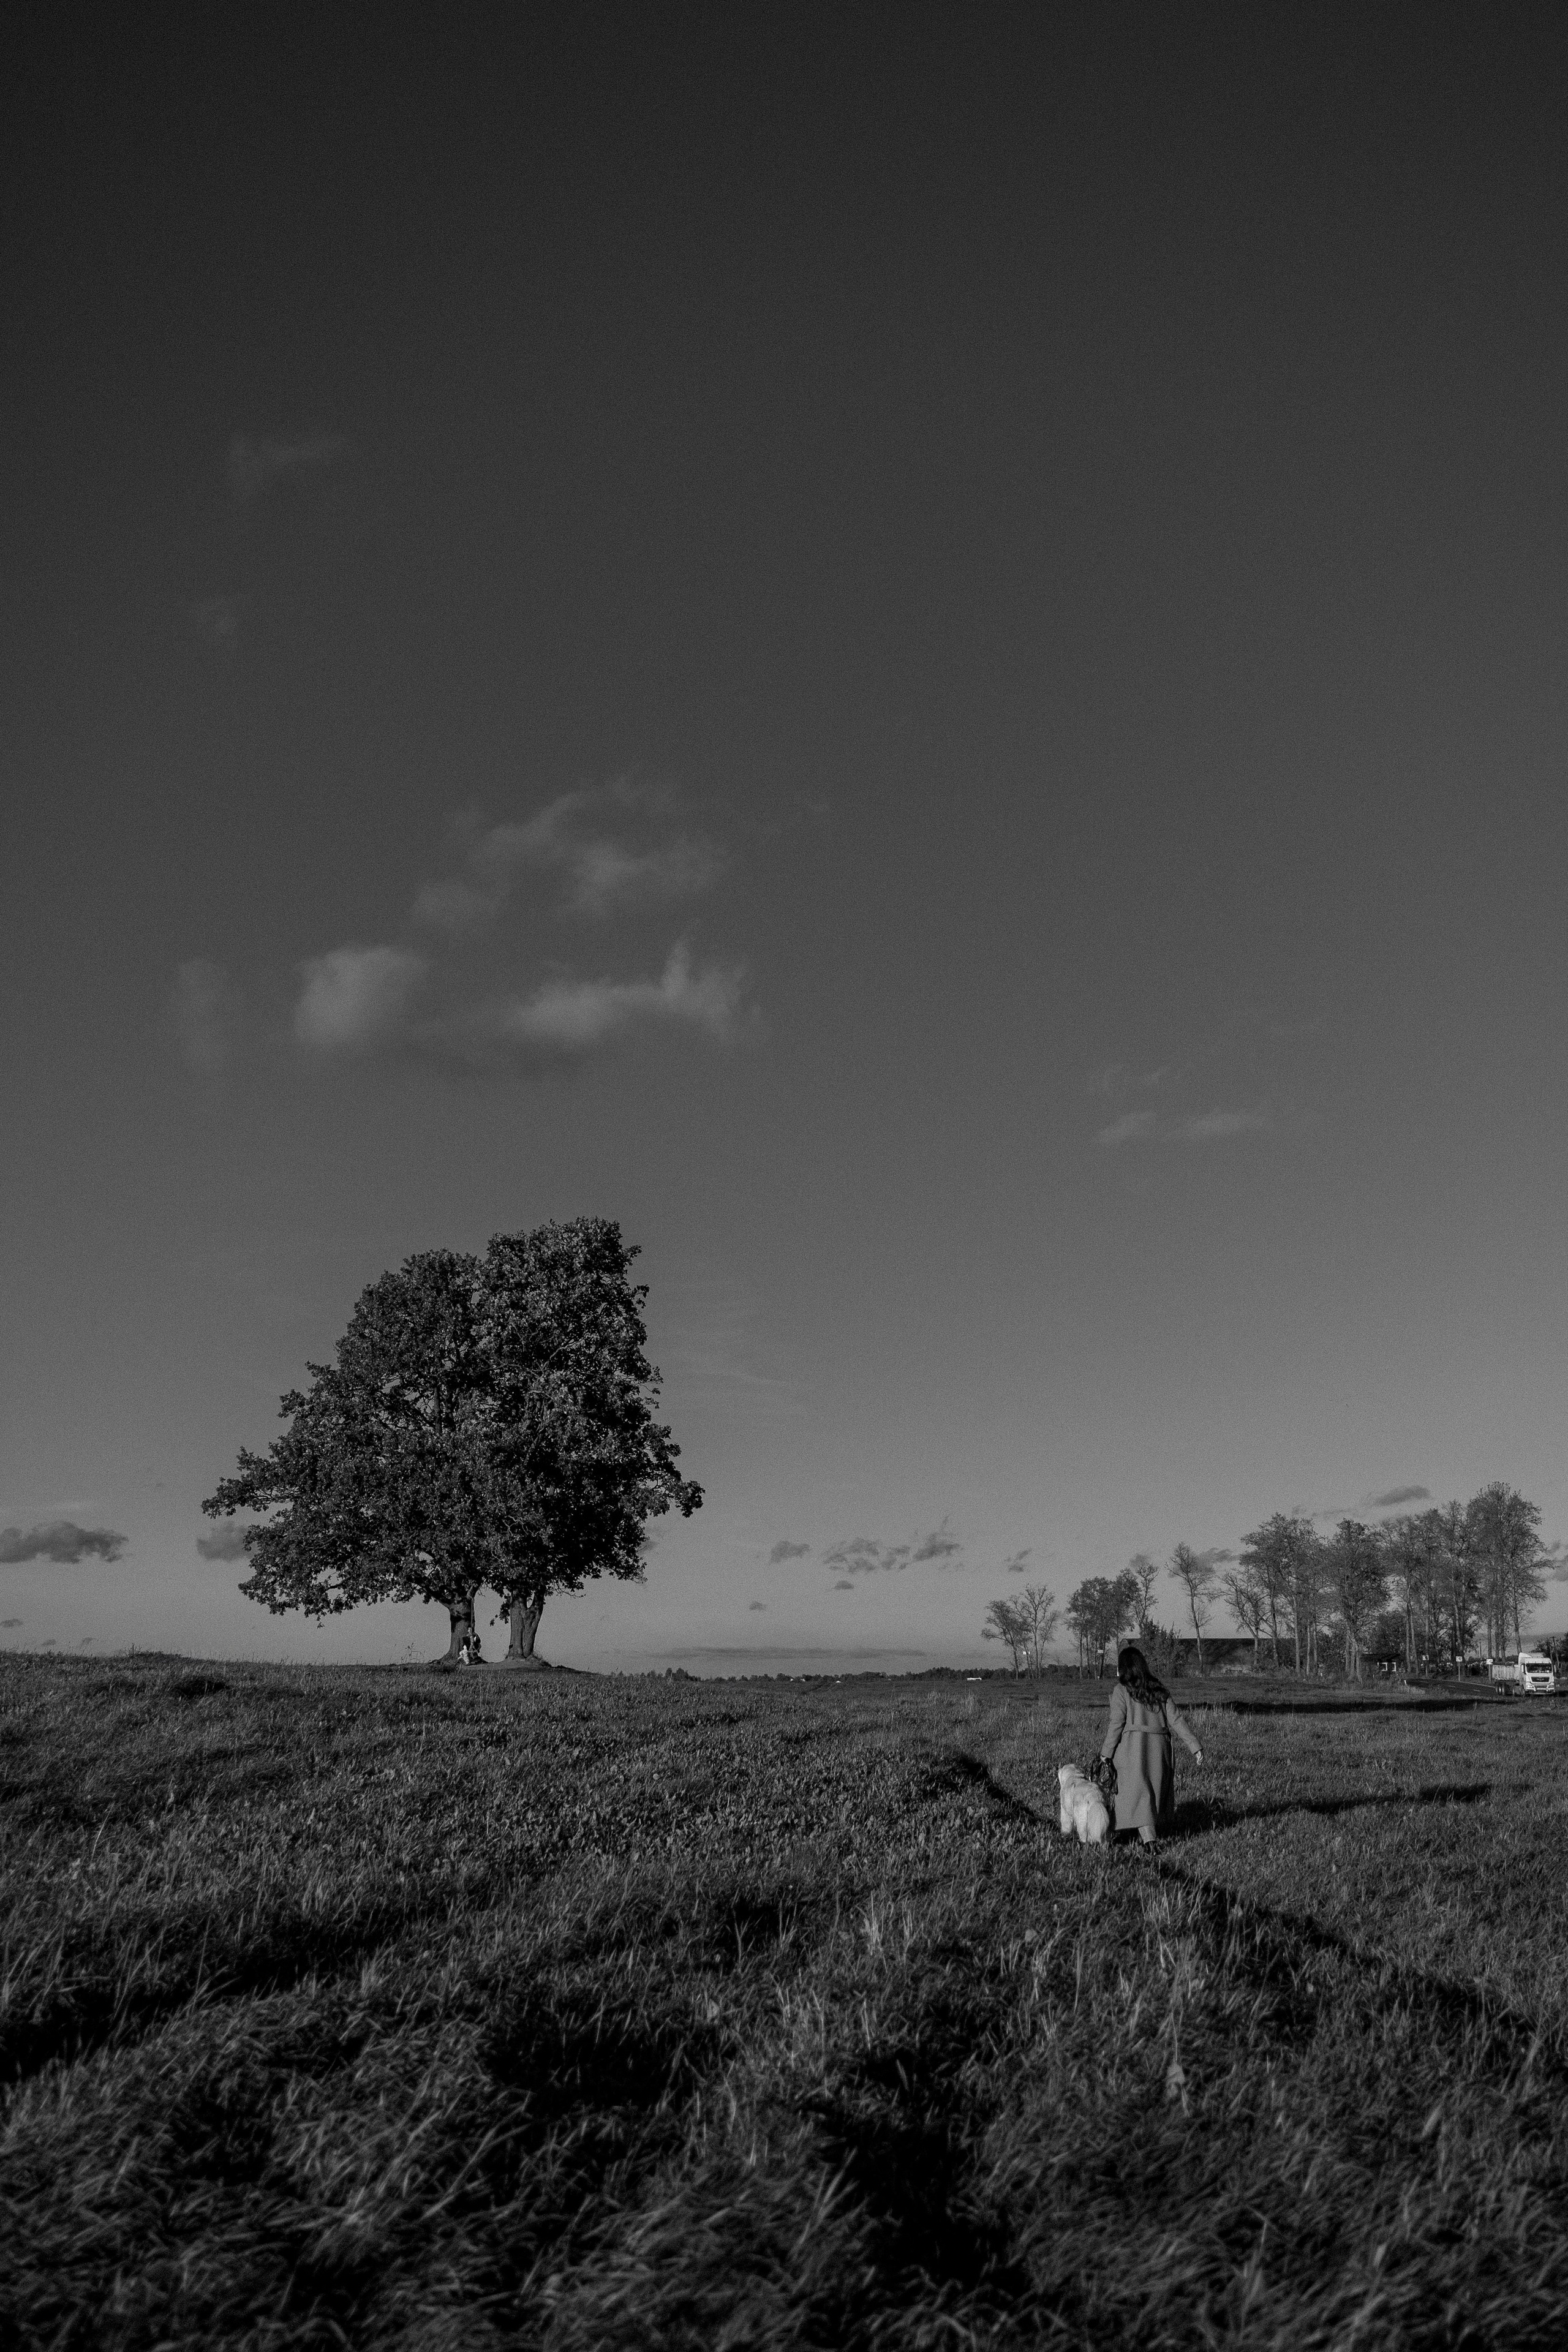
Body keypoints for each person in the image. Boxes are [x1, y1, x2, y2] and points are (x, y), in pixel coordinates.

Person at [1099, 1645, 1203, 1844]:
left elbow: (1117, 1723)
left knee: (1136, 1795)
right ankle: (1132, 1835)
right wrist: (1195, 1745)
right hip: (1159, 1749)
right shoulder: (1158, 1688)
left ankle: (1148, 1842)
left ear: (1124, 1667)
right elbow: (1177, 1719)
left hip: (1132, 1751)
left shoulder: (1121, 1690)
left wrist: (1106, 1752)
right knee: (1150, 1794)